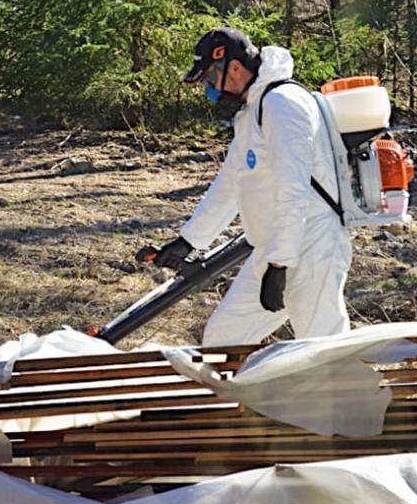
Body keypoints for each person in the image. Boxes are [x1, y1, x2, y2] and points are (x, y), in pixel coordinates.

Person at [147, 27, 352, 346]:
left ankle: (359, 395)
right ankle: (251, 396)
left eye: (211, 81)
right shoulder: (253, 111)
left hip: (312, 246)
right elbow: (230, 185)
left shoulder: (282, 104)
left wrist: (280, 264)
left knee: (323, 348)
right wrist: (188, 242)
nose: (211, 92)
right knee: (223, 340)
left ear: (235, 68)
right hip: (273, 250)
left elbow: (293, 189)